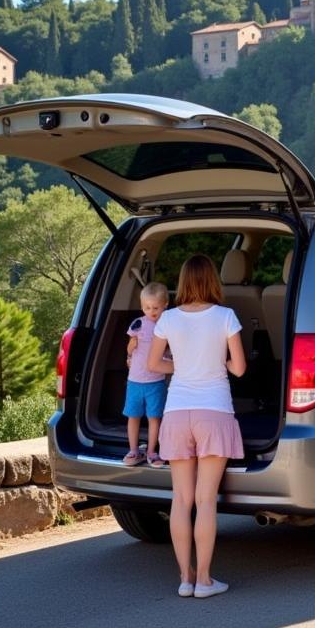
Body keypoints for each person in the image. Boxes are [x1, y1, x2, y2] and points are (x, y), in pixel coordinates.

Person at [147, 254, 246, 599]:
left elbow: (153, 363)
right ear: (213, 281)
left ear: (184, 282)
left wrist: (182, 365)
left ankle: (184, 579)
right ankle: (205, 580)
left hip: (176, 414)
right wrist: (214, 359)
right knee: (206, 500)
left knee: (181, 499)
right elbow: (240, 369)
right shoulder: (225, 317)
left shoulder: (168, 319)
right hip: (214, 412)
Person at [122, 281, 172, 467]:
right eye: (147, 307)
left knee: (154, 417)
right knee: (133, 416)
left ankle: (152, 451)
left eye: (156, 307)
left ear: (165, 304)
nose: (151, 311)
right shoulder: (137, 324)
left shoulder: (168, 324)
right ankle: (134, 450)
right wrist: (130, 347)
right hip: (135, 381)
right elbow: (129, 350)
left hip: (156, 381)